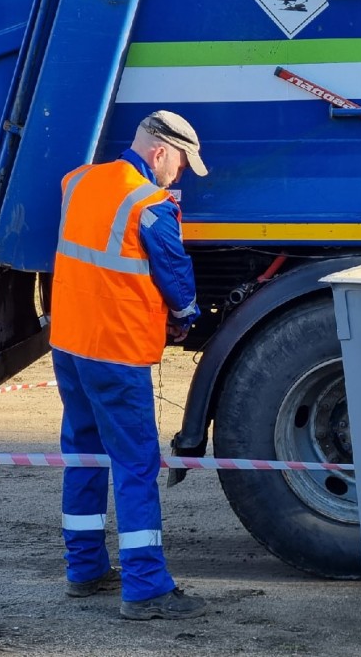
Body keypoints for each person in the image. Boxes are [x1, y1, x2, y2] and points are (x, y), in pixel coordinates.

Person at [49, 110, 209, 620]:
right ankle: (145, 587)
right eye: (182, 163)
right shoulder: (149, 203)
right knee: (136, 464)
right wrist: (186, 316)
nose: (180, 175)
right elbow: (174, 273)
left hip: (70, 344)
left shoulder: (78, 182)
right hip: (115, 352)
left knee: (84, 454)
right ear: (160, 152)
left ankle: (85, 570)